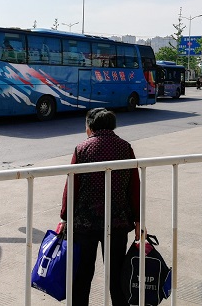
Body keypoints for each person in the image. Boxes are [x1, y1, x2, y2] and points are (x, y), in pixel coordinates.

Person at [59, 108, 140, 306]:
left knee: (82, 275)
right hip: (117, 222)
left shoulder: (82, 148)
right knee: (118, 275)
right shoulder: (125, 147)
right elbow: (134, 187)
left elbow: (72, 186)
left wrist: (64, 217)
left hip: (85, 224)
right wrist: (138, 219)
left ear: (90, 126)